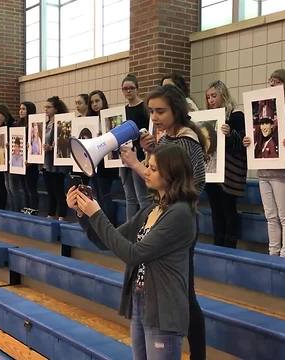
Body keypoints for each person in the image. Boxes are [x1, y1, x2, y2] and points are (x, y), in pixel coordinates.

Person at [68, 144, 198, 360]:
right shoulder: (152, 209)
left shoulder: (181, 214)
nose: (146, 171)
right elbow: (106, 241)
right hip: (141, 301)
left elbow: (133, 254)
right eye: (148, 165)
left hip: (164, 309)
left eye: (154, 169)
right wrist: (83, 213)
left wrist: (97, 214)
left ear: (172, 173)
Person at [121, 85, 207, 360]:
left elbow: (191, 184)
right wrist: (152, 151)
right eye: (152, 111)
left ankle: (197, 354)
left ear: (176, 110)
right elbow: (158, 182)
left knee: (184, 295)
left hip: (178, 223)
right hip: (163, 217)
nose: (154, 117)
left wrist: (137, 164)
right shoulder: (167, 139)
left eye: (161, 111)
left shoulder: (185, 141)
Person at [244, 69, 285, 258]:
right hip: (265, 171)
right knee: (270, 216)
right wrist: (249, 142)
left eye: (277, 82)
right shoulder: (265, 112)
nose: (272, 86)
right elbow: (259, 139)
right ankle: (273, 252)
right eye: (270, 82)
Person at [203, 80, 247, 249]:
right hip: (212, 170)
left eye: (214, 96)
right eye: (208, 97)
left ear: (223, 95)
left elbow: (243, 142)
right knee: (216, 210)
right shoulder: (208, 118)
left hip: (230, 171)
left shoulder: (236, 116)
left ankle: (229, 247)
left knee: (228, 209)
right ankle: (218, 244)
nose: (211, 100)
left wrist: (230, 134)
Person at [120, 74, 152, 220]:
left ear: (137, 89)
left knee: (142, 197)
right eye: (125, 89)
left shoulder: (144, 108)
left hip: (139, 156)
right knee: (129, 197)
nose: (128, 91)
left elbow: (150, 132)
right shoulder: (122, 111)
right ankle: (130, 228)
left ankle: (146, 227)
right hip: (125, 156)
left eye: (131, 88)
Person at [87, 89, 119, 225]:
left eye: (97, 101)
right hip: (94, 163)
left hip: (107, 163)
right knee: (97, 196)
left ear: (103, 101)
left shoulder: (110, 118)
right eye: (92, 102)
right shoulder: (88, 120)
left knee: (105, 195)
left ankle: (110, 225)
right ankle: (101, 225)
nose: (95, 104)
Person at [43, 96, 70, 221]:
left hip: (57, 163)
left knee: (58, 190)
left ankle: (62, 215)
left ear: (56, 109)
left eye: (49, 107)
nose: (46, 109)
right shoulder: (45, 123)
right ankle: (51, 212)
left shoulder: (61, 123)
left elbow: (63, 143)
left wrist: (52, 147)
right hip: (46, 162)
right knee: (50, 190)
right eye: (45, 107)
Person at [18, 101, 40, 215]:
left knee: (31, 187)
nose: (21, 111)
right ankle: (27, 207)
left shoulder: (34, 126)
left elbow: (36, 144)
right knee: (24, 187)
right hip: (21, 162)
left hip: (31, 162)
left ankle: (34, 208)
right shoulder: (19, 125)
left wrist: (31, 159)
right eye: (20, 108)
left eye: (24, 109)